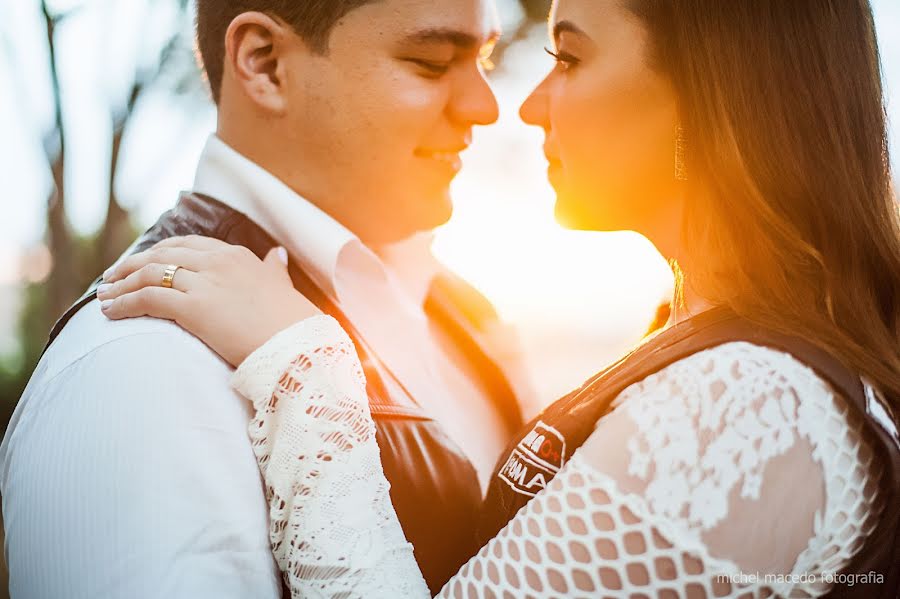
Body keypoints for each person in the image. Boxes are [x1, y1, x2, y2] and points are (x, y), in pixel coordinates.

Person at [97, 0, 900, 596]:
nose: (520, 103)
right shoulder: (736, 354)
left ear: (711, 90)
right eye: (429, 63)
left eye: (571, 58)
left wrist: (306, 365)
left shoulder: (746, 403)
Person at [0, 1, 533, 596]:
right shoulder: (144, 362)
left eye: (483, 58)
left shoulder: (464, 313)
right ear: (264, 64)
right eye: (432, 63)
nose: (485, 106)